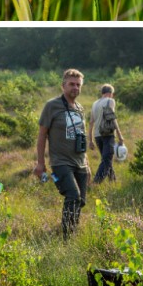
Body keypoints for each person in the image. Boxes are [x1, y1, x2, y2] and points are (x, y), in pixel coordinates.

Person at [34, 68, 91, 239]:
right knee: (72, 196)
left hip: (80, 162)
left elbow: (82, 136)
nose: (75, 88)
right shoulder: (52, 106)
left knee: (81, 201)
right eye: (71, 84)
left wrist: (87, 164)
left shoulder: (80, 108)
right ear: (63, 85)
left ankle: (72, 232)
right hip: (60, 162)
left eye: (78, 85)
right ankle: (67, 238)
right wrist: (40, 163)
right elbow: (42, 134)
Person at [89, 84, 125, 184]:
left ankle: (112, 181)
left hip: (97, 136)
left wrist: (90, 140)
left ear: (102, 93)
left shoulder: (94, 103)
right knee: (106, 161)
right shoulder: (110, 101)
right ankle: (95, 183)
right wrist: (119, 135)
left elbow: (91, 122)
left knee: (106, 159)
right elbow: (112, 117)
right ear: (110, 93)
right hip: (107, 134)